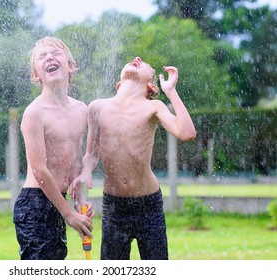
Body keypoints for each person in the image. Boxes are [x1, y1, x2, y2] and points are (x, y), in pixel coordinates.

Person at [71, 57, 196, 260]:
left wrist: (171, 91)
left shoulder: (153, 107)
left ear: (150, 86)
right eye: (134, 59)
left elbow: (187, 133)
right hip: (114, 207)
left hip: (149, 205)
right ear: (119, 84)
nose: (137, 59)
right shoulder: (97, 107)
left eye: (144, 63)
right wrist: (85, 172)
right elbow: (91, 155)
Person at [13, 37, 94, 260]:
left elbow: (74, 161)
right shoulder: (34, 113)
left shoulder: (81, 109)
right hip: (35, 204)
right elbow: (39, 170)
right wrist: (68, 214)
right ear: (36, 75)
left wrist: (79, 201)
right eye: (42, 56)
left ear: (71, 66)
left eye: (56, 53)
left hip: (59, 199)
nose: (49, 57)